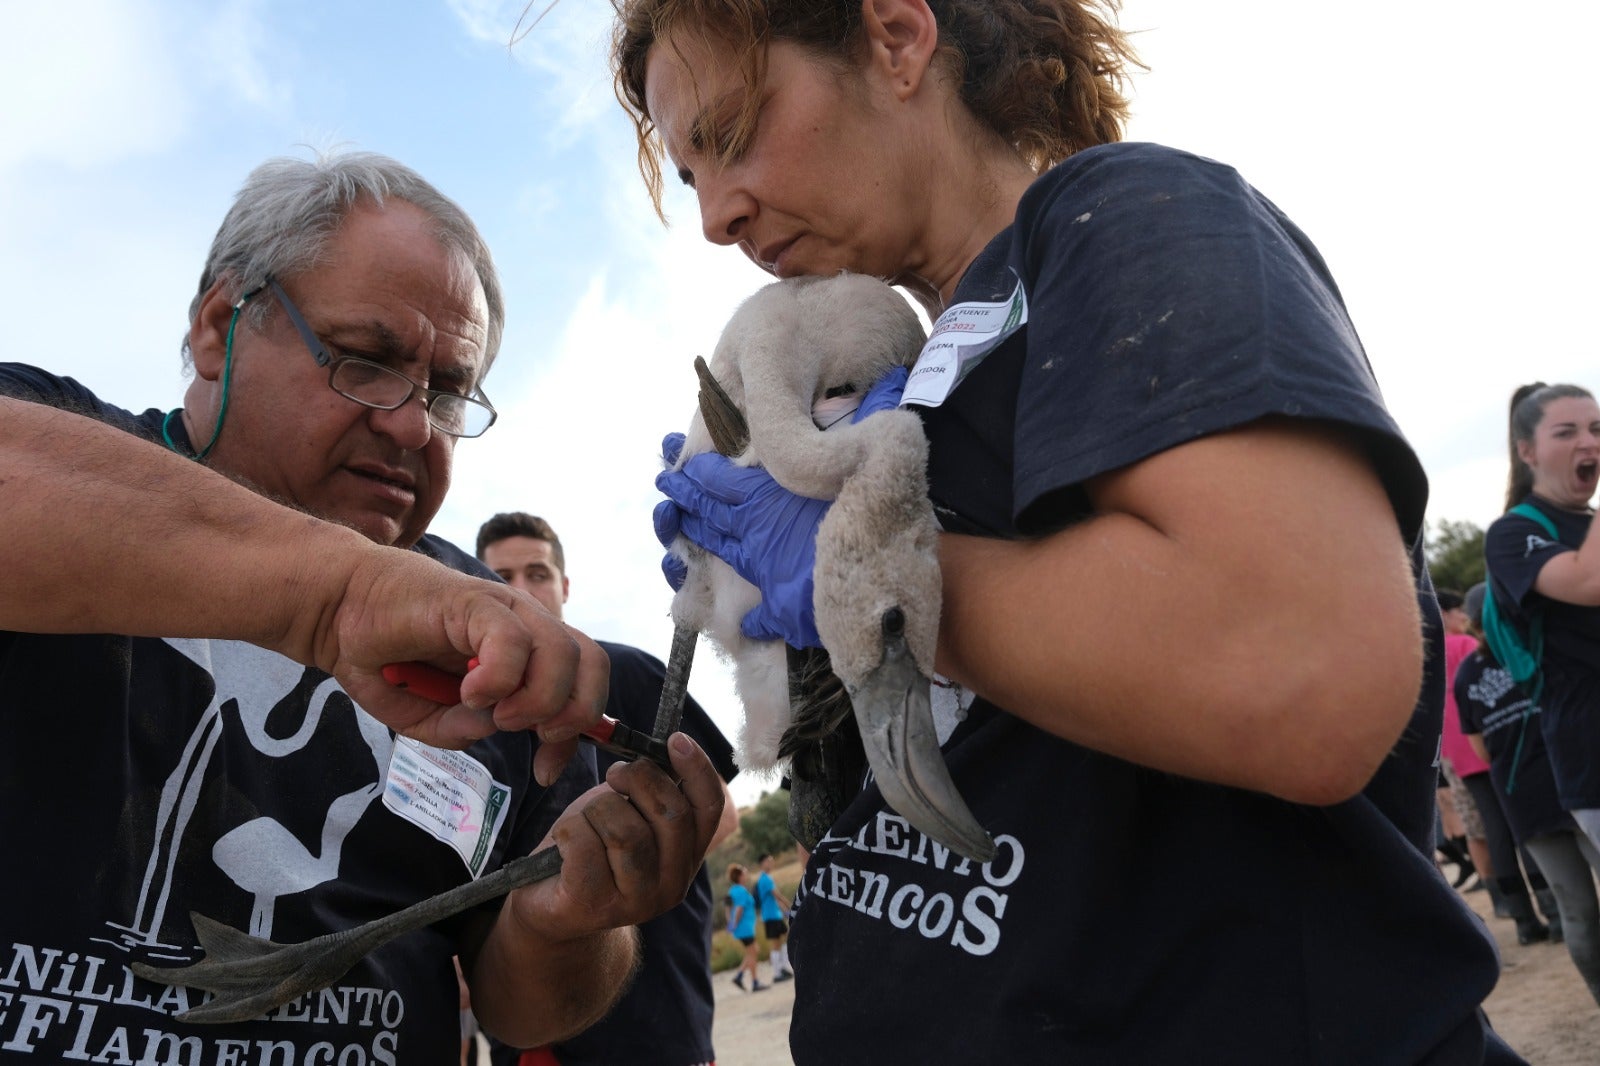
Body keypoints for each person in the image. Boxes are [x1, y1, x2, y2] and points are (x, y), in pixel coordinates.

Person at [613, 1, 1521, 1060]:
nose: (718, 214)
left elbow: (1300, 666)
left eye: (732, 134)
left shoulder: (1120, 212)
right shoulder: (911, 371)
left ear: (897, 41)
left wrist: (855, 566)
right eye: (690, 178)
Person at [0, 150, 725, 1062]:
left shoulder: (484, 636)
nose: (412, 423)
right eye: (365, 361)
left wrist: (564, 923)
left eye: (448, 390)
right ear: (221, 327)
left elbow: (520, 1012)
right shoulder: (62, 457)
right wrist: (343, 592)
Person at [475, 512, 741, 1066]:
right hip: (530, 1042)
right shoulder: (462, 714)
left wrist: (616, 882)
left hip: (657, 1021)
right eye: (500, 577)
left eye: (538, 573)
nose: (522, 590)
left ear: (565, 586)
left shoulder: (630, 675)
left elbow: (725, 815)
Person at [1458, 583, 1600, 1007]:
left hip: (1524, 800)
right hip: (1579, 783)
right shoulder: (1543, 646)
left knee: (1575, 911)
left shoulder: (1468, 673)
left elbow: (1479, 748)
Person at [1484, 383, 1600, 857]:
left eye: (1596, 429)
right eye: (1567, 431)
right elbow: (1587, 582)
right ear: (1527, 451)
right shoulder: (1514, 532)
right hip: (1592, 750)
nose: (1588, 441)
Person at [723, 864, 767, 993]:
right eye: (745, 873)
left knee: (754, 951)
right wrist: (734, 923)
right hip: (744, 927)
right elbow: (739, 909)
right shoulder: (741, 891)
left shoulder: (732, 890)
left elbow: (727, 907)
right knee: (752, 953)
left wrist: (730, 923)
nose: (747, 875)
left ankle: (739, 976)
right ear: (740, 876)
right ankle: (754, 982)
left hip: (742, 927)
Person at [754, 851, 794, 981]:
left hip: (774, 914)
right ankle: (777, 973)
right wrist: (791, 906)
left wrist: (784, 910)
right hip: (770, 915)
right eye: (769, 861)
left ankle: (783, 967)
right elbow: (777, 895)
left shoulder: (765, 878)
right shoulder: (765, 879)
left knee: (783, 938)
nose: (771, 863)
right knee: (776, 943)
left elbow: (774, 899)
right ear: (762, 863)